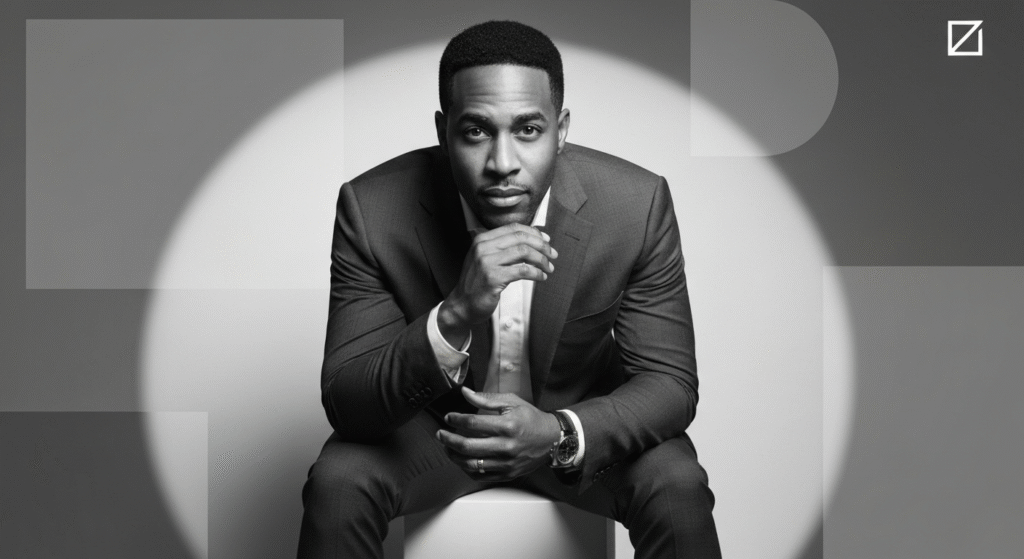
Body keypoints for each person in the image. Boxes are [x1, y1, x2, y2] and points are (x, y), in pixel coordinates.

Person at [297, 20, 721, 559]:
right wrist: (454, 314)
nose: (503, 164)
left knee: (677, 484)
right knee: (338, 483)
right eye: (476, 131)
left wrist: (561, 433)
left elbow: (671, 383)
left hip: (574, 428)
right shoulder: (373, 210)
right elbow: (347, 401)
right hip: (437, 435)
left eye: (528, 130)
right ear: (444, 130)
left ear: (560, 130)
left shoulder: (635, 206)